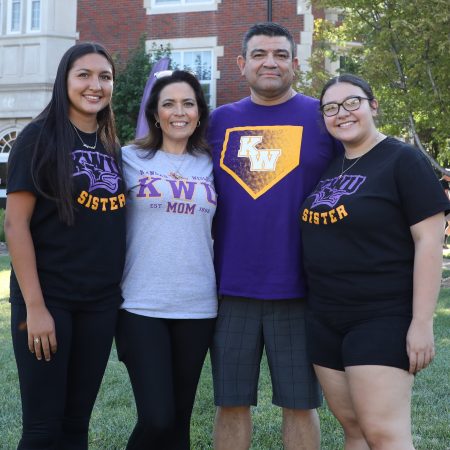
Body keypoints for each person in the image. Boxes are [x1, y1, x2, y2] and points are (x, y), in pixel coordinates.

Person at [207, 22, 341, 450]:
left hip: (300, 289)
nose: (271, 62)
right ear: (241, 64)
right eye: (260, 54)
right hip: (230, 290)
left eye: (281, 54)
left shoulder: (322, 119)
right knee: (230, 404)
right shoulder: (217, 122)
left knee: (300, 405)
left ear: (295, 65)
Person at [300, 73, 449, 449]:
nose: (342, 113)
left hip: (381, 315)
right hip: (325, 317)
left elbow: (429, 242)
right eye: (331, 108)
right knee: (354, 430)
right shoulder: (334, 167)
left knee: (384, 434)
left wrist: (421, 324)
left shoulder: (403, 160)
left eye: (352, 102)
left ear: (373, 106)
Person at [5, 42, 125, 449]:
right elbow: (15, 223)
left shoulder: (109, 142)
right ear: (65, 81)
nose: (95, 85)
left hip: (99, 303)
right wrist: (35, 309)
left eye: (104, 77)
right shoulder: (39, 137)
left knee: (77, 425)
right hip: (48, 298)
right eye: (84, 75)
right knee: (43, 429)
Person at [115, 70, 217, 450]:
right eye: (169, 104)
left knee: (179, 422)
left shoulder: (212, 163)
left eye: (188, 103)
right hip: (141, 304)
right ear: (155, 114)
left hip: (198, 305)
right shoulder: (127, 158)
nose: (179, 112)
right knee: (157, 417)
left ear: (199, 113)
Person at [439, 172, 450, 248]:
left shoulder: (438, 181)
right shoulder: (444, 182)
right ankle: (442, 242)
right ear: (446, 175)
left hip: (440, 207)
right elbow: (446, 195)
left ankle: (443, 242)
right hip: (446, 207)